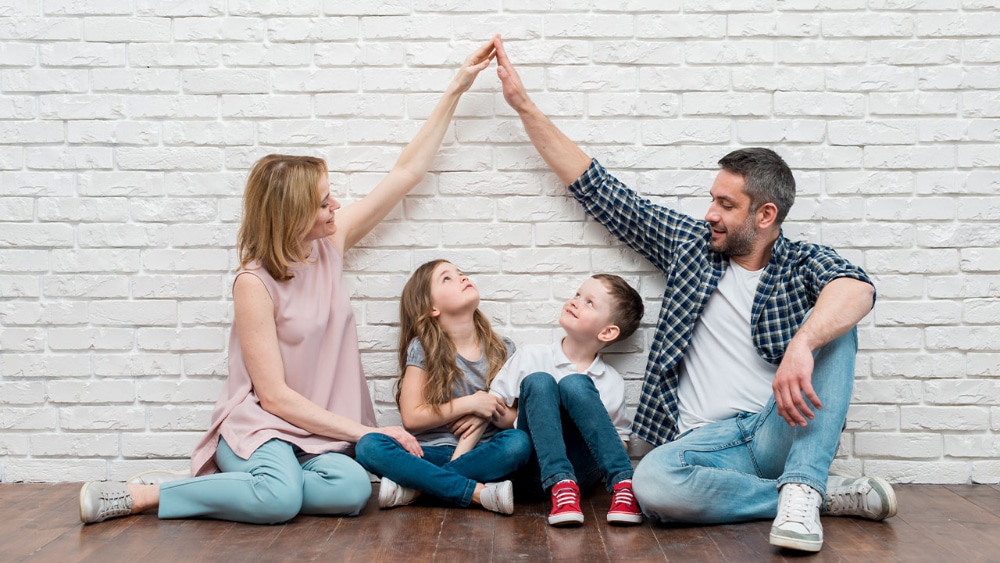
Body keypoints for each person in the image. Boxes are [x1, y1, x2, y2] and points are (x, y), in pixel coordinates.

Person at [492, 36, 897, 552]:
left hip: (776, 429)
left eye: (725, 204)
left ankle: (802, 482)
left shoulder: (800, 263)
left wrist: (802, 343)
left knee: (839, 325)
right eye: (711, 199)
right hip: (703, 446)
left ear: (765, 215)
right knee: (652, 486)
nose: (710, 213)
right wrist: (524, 106)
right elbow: (602, 191)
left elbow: (857, 289)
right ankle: (809, 494)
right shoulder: (691, 247)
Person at [78, 39, 498, 526]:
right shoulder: (253, 283)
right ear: (291, 214)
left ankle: (260, 487)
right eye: (323, 202)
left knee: (349, 490)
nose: (335, 207)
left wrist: (456, 88)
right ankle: (152, 493)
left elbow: (405, 172)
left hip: (321, 433)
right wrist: (365, 433)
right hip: (266, 427)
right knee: (279, 501)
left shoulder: (330, 245)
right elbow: (273, 396)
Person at [354, 259, 532, 514]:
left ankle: (418, 490)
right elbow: (412, 418)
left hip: (482, 453)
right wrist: (470, 402)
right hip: (430, 453)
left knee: (518, 443)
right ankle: (477, 493)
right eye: (447, 278)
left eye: (460, 273)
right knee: (368, 445)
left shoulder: (503, 349)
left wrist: (492, 407)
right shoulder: (423, 348)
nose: (462, 277)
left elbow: (514, 420)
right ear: (431, 307)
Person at [489, 274, 645, 527]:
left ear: (607, 332)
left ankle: (623, 486)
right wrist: (534, 417)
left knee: (575, 384)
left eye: (589, 303)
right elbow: (495, 407)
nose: (575, 302)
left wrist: (591, 428)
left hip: (582, 472)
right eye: (577, 295)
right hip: (533, 470)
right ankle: (560, 483)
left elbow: (621, 441)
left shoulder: (611, 380)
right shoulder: (531, 356)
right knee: (539, 381)